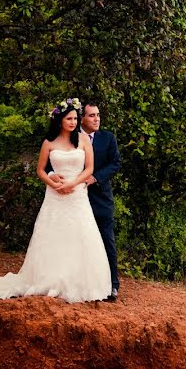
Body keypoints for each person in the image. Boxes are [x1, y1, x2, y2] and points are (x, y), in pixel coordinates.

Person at [0, 98, 112, 303]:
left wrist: (74, 184)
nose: (73, 122)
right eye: (69, 118)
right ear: (60, 120)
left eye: (75, 118)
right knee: (53, 235)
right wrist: (53, 183)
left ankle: (80, 283)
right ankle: (49, 279)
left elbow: (89, 168)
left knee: (81, 234)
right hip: (55, 195)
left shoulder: (83, 140)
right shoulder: (49, 142)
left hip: (77, 194)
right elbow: (40, 170)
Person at [78, 102, 122, 301]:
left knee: (106, 240)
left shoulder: (107, 138)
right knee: (80, 241)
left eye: (98, 115)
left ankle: (112, 284)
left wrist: (95, 177)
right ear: (82, 119)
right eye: (91, 116)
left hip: (101, 197)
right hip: (77, 198)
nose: (96, 119)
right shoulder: (71, 138)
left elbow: (116, 163)